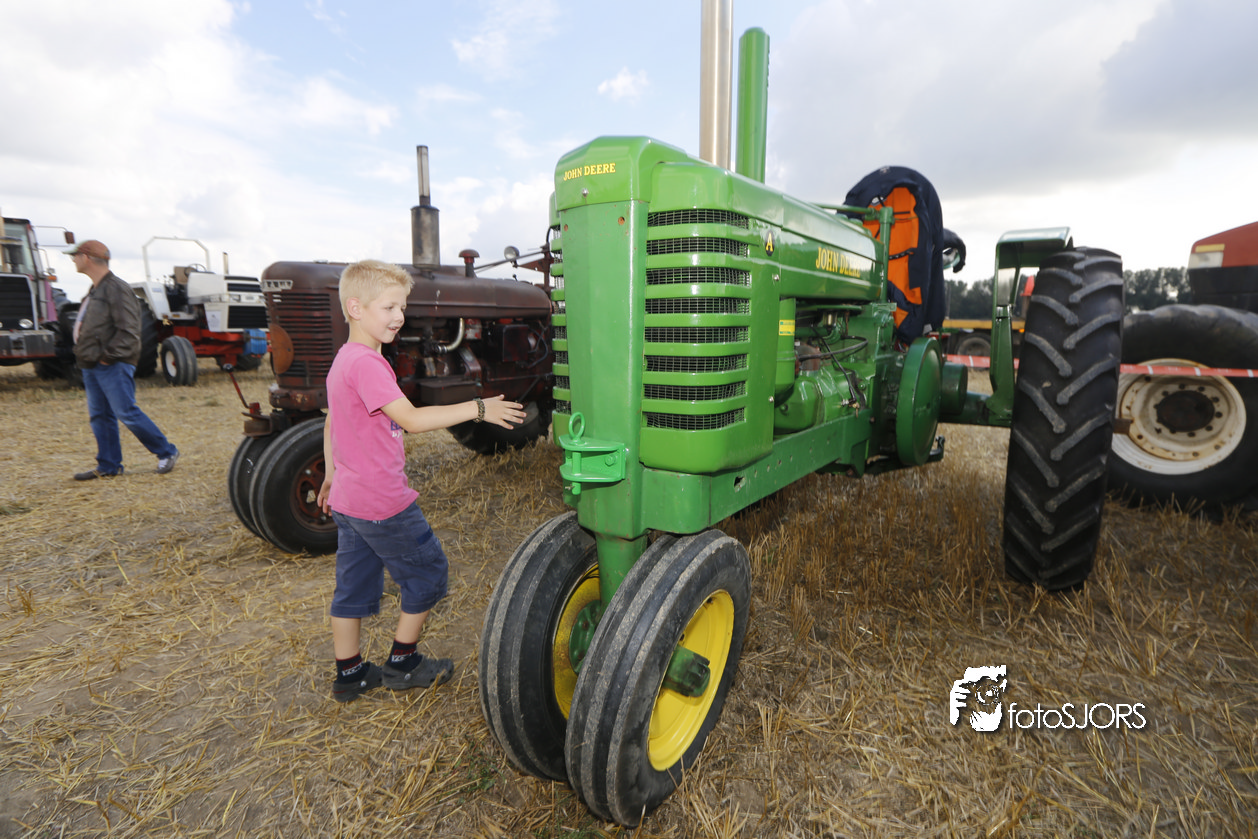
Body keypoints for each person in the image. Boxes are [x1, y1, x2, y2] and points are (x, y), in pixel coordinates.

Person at [317, 259, 526, 703]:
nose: (399, 317)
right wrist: (479, 408)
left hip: (351, 501)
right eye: (389, 307)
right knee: (429, 574)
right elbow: (411, 420)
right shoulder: (368, 364)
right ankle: (403, 662)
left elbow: (333, 420)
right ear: (355, 307)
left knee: (352, 588)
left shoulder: (345, 358)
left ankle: (349, 673)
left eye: (402, 307)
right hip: (382, 502)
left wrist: (332, 474)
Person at [69, 239, 180, 481]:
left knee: (126, 412)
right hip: (91, 363)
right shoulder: (96, 289)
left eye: (74, 255)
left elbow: (129, 329)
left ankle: (167, 452)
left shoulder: (116, 288)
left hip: (111, 363)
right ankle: (108, 465)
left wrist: (108, 357)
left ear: (86, 258)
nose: (73, 259)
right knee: (100, 416)